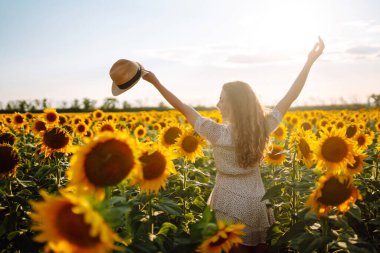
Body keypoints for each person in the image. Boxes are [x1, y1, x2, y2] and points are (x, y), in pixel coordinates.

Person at [141, 37, 324, 253]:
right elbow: (291, 96)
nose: (217, 104)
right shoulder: (262, 128)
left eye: (222, 100)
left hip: (228, 202)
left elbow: (181, 106)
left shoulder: (217, 133)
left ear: (234, 105)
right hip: (257, 200)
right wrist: (309, 61)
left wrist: (155, 82)